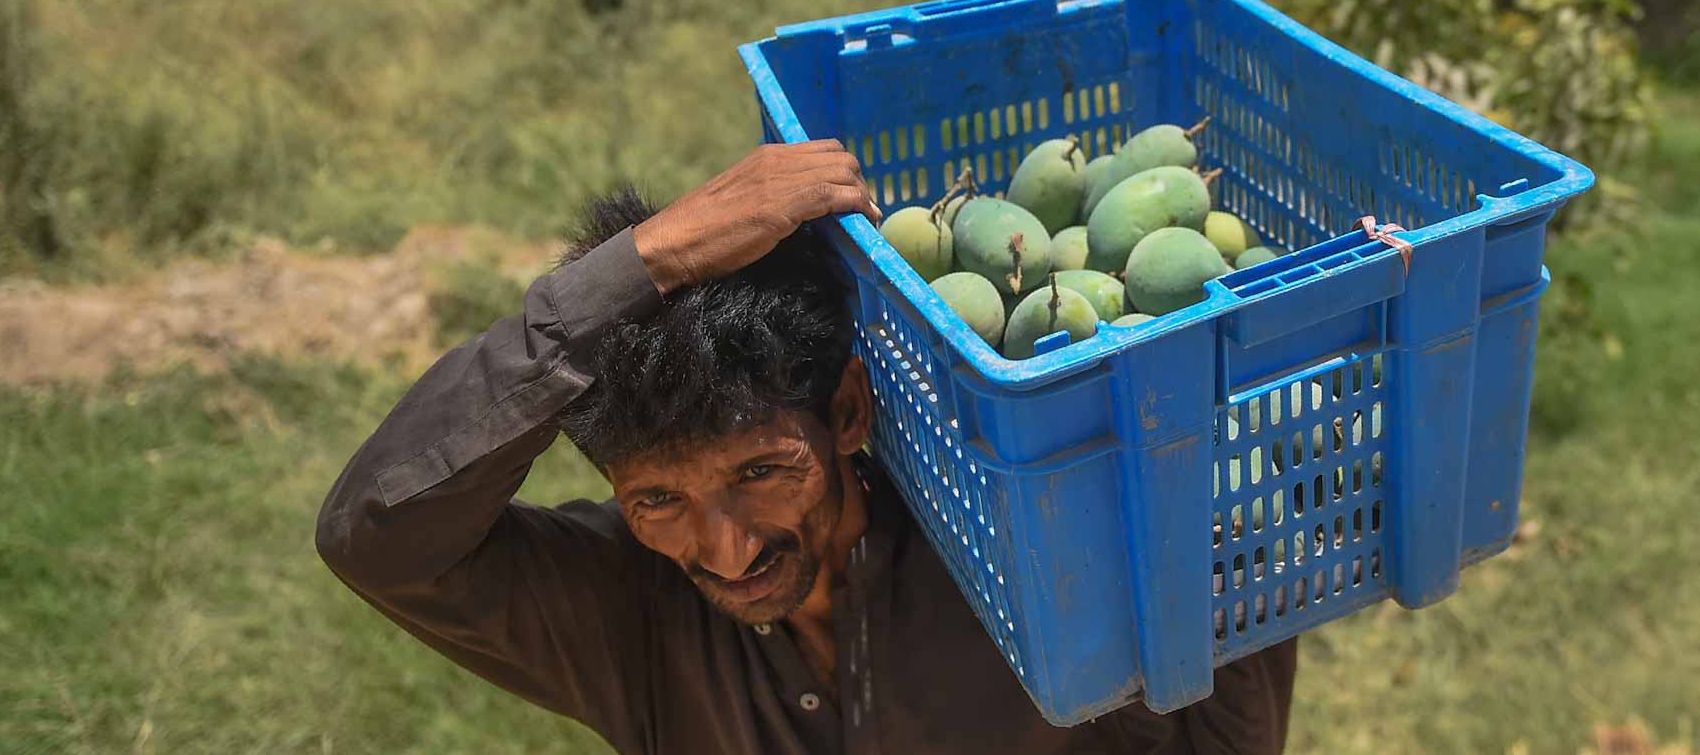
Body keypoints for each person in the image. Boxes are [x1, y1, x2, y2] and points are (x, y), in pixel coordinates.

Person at [315, 141, 1300, 754]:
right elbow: (375, 537)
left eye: (759, 473)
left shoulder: (1014, 560)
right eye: (658, 501)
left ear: (847, 414)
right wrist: (641, 264)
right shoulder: (625, 611)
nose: (728, 548)